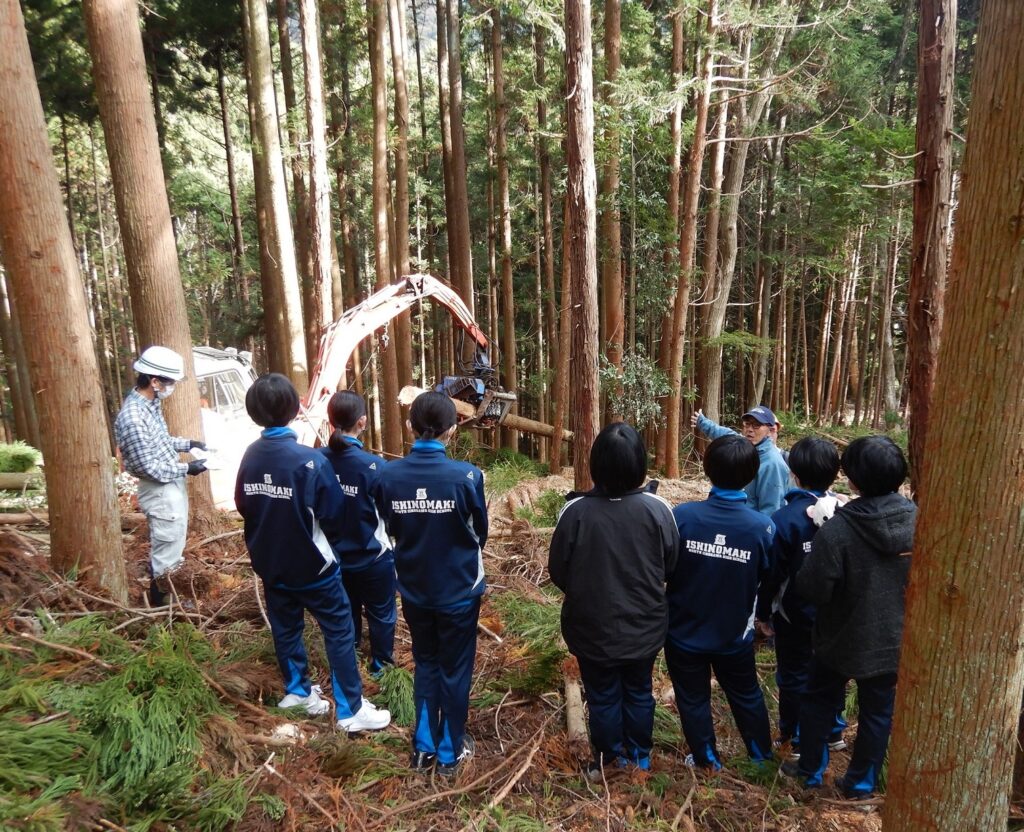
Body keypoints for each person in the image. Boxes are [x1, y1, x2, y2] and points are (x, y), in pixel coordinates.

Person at [235, 373, 391, 733]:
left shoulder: (251, 456)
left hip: (271, 565)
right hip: (314, 568)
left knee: (286, 627)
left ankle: (298, 691)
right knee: (338, 630)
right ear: (293, 409)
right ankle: (351, 710)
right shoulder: (308, 461)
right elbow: (334, 516)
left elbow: (244, 504)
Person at [783, 436, 915, 799]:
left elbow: (811, 588)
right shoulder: (921, 520)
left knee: (818, 700)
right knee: (878, 712)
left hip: (839, 637)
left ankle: (810, 769)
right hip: (895, 638)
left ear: (853, 480)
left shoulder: (840, 529)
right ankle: (861, 783)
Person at [548, 423, 679, 779]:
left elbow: (559, 570)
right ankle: (638, 756)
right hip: (644, 625)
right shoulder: (659, 510)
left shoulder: (575, 512)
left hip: (592, 626)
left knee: (603, 693)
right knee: (639, 690)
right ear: (640, 464)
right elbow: (671, 563)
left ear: (596, 464)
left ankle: (609, 758)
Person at [377, 392, 488, 777]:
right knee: (454, 669)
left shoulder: (387, 475)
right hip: (458, 591)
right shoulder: (467, 476)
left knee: (426, 663)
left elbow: (390, 527)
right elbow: (480, 533)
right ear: (452, 430)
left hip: (415, 589)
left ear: (410, 427)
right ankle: (448, 751)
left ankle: (424, 748)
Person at [665, 435, 775, 770]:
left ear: (707, 469)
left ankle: (706, 761)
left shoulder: (682, 517)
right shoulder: (762, 528)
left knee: (692, 698)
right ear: (752, 475)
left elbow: (665, 567)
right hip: (733, 636)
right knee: (746, 694)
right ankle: (760, 758)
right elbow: (768, 579)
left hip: (684, 632)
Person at [757, 437, 846, 756]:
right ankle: (833, 730)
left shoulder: (783, 520)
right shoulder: (845, 513)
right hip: (836, 614)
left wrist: (764, 612)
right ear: (835, 475)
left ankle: (793, 735)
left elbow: (773, 575)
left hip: (794, 616)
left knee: (793, 674)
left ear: (793, 473)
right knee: (832, 671)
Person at [114, 345, 208, 607]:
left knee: (174, 540)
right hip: (159, 488)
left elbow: (157, 442)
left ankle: (169, 595)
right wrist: (187, 468)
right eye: (170, 383)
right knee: (167, 546)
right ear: (154, 381)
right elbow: (147, 466)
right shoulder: (132, 417)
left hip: (169, 485)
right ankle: (166, 603)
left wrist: (188, 444)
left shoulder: (148, 405)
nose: (172, 388)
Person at [319, 391, 396, 675]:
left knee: (346, 611)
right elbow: (389, 515)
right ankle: (380, 668)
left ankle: (349, 663)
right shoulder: (374, 467)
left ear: (330, 422)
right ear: (362, 422)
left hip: (333, 557)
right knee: (381, 614)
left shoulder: (316, 460)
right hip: (373, 557)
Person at [691, 405, 790, 515]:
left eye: (756, 425)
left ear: (770, 430)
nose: (750, 429)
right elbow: (724, 434)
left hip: (752, 525)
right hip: (734, 514)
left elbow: (772, 509)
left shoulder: (773, 464)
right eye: (747, 424)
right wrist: (702, 422)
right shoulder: (746, 444)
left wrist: (761, 529)